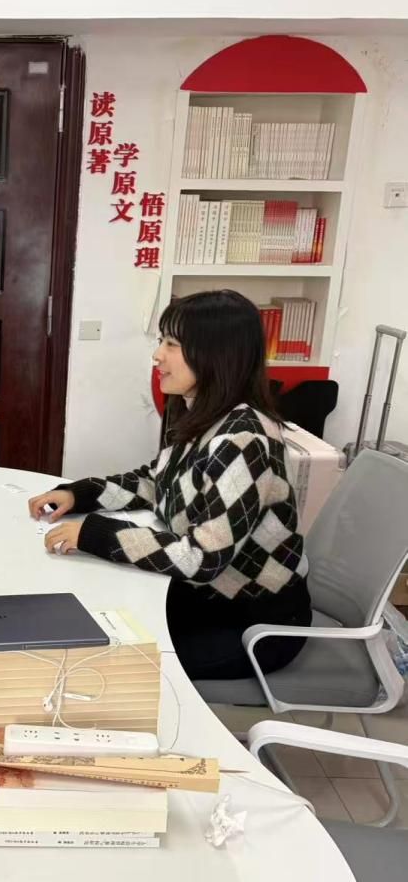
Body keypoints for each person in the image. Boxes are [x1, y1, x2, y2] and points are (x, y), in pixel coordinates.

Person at [28, 289, 311, 681]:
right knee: (83, 617)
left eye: (172, 344)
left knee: (99, 663)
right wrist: (80, 494)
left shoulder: (243, 440)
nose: (157, 355)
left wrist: (96, 534)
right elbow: (156, 483)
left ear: (215, 354)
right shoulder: (204, 413)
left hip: (248, 624)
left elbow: (201, 559)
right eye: (162, 341)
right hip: (203, 599)